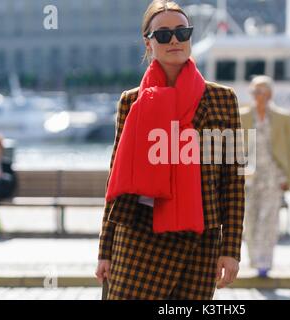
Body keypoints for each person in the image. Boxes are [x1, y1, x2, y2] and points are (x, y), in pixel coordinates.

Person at [95, 0, 245, 300]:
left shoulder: (224, 99)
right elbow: (117, 182)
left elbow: (233, 181)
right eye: (163, 34)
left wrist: (231, 250)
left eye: (182, 32)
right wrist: (105, 251)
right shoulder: (131, 102)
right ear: (148, 42)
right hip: (138, 241)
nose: (174, 40)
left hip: (199, 244)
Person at [240, 75, 290, 278]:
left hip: (274, 176)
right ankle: (254, 259)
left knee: (269, 219)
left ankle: (264, 263)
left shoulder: (282, 117)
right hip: (249, 178)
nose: (257, 96)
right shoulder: (243, 116)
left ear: (270, 94)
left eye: (261, 92)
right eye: (255, 92)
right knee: (249, 219)